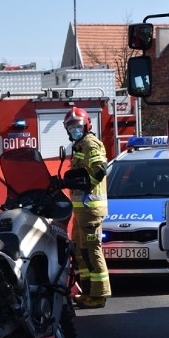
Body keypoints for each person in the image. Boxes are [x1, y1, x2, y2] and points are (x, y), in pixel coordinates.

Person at [64, 107, 111, 309]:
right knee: (81, 250)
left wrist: (83, 183)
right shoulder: (79, 146)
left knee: (92, 251)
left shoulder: (90, 144)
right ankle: (87, 291)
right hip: (81, 211)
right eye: (71, 127)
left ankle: (99, 294)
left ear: (86, 126)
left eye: (77, 126)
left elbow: (99, 169)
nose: (74, 130)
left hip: (91, 210)